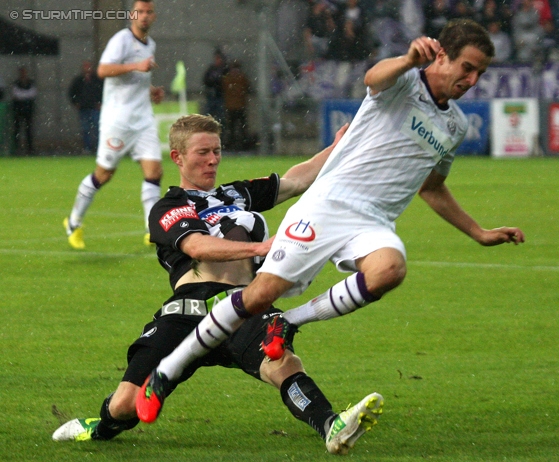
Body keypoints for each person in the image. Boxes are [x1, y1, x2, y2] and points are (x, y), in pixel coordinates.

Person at [137, 19, 525, 423]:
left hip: (372, 221)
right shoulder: (404, 82)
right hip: (326, 206)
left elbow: (432, 187)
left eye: (480, 72)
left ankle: (288, 323)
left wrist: (479, 232)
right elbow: (373, 77)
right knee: (256, 298)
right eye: (467, 67)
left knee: (390, 269)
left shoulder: (456, 125)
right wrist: (409, 57)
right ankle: (166, 371)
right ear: (442, 55)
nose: (473, 78)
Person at [52, 114, 382, 455]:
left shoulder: (236, 194)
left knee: (282, 363)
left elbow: (296, 181)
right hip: (188, 311)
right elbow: (196, 246)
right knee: (126, 404)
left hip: (244, 303)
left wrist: (337, 147)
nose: (212, 159)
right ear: (178, 157)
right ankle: (101, 429)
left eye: (217, 151)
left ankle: (331, 425)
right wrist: (261, 248)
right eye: (202, 152)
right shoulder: (169, 206)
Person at [63, 0, 165, 250]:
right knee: (104, 174)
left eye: (148, 12)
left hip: (143, 119)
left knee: (154, 173)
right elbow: (103, 70)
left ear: (154, 16)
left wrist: (151, 91)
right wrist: (135, 66)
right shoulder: (121, 39)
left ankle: (152, 231)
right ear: (132, 15)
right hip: (118, 120)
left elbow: (136, 80)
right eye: (139, 12)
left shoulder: (150, 44)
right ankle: (73, 222)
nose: (144, 16)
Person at [68, 61, 104, 153]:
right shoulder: (78, 80)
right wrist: (75, 102)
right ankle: (87, 147)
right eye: (85, 67)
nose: (87, 69)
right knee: (85, 129)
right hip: (83, 108)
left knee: (96, 128)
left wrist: (100, 102)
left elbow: (103, 91)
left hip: (95, 108)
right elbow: (72, 93)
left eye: (89, 67)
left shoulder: (97, 80)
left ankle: (97, 148)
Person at [221, 60, 251, 151]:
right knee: (233, 128)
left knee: (237, 128)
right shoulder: (238, 79)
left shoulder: (231, 79)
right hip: (234, 107)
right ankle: (235, 145)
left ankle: (238, 145)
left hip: (236, 107)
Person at [11, 66, 37, 154]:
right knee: (17, 129)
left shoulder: (30, 82)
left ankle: (30, 149)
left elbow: (32, 93)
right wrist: (25, 95)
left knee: (28, 130)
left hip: (28, 110)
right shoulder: (16, 83)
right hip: (18, 110)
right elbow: (16, 94)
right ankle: (16, 148)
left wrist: (22, 95)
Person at [202, 48, 228, 126]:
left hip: (219, 96)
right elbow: (206, 81)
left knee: (220, 117)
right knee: (209, 116)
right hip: (212, 96)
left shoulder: (224, 69)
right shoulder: (212, 69)